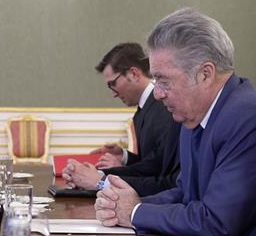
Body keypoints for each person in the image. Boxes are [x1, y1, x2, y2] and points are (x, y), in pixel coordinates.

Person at [95, 8, 256, 236]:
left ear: (205, 74)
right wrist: (124, 204)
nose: (157, 93)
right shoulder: (195, 115)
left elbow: (216, 220)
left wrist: (136, 212)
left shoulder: (248, 118)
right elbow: (186, 192)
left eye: (164, 81)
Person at [63, 42, 180, 196]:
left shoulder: (164, 108)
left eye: (113, 84)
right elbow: (153, 163)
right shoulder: (145, 109)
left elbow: (163, 177)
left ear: (134, 74)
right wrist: (124, 157)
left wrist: (100, 180)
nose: (113, 93)